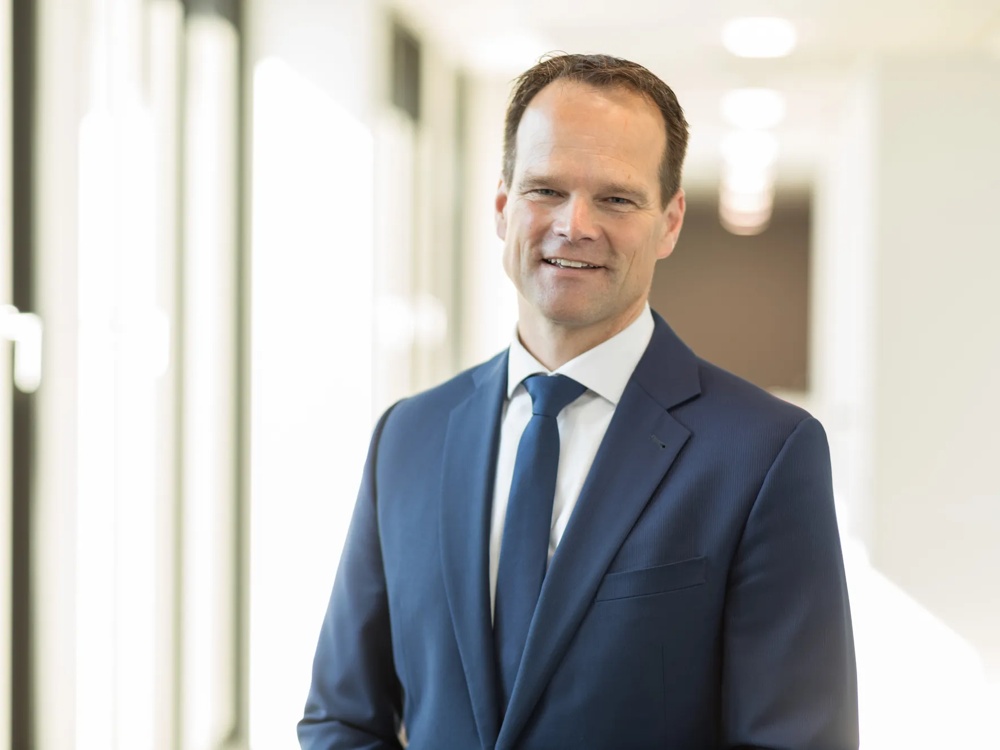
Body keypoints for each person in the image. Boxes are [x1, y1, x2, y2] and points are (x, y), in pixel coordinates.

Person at [298, 53, 858, 750]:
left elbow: (793, 741)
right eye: (545, 190)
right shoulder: (409, 435)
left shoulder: (765, 454)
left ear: (671, 220)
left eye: (617, 198)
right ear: (503, 208)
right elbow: (342, 717)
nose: (574, 224)